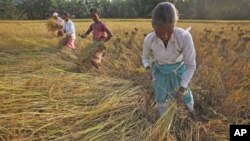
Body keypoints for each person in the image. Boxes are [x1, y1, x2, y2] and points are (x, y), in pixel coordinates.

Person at [142, 2, 196, 118]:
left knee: (186, 96)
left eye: (169, 30)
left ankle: (192, 114)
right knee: (160, 97)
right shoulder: (149, 39)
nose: (165, 35)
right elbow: (145, 57)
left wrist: (182, 88)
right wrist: (147, 69)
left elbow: (190, 65)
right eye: (160, 31)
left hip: (179, 71)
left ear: (175, 24)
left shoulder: (184, 37)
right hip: (160, 72)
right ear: (153, 25)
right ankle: (164, 122)